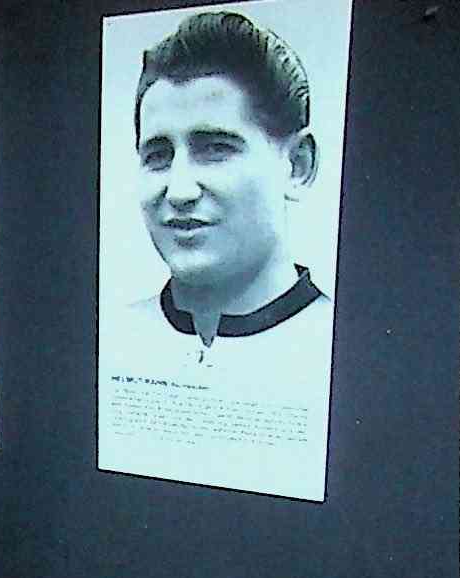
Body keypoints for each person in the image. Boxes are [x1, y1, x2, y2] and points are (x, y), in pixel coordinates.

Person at [126, 10, 329, 364]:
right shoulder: (113, 337)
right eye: (158, 156)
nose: (179, 191)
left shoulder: (345, 346)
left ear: (297, 165)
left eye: (215, 149)